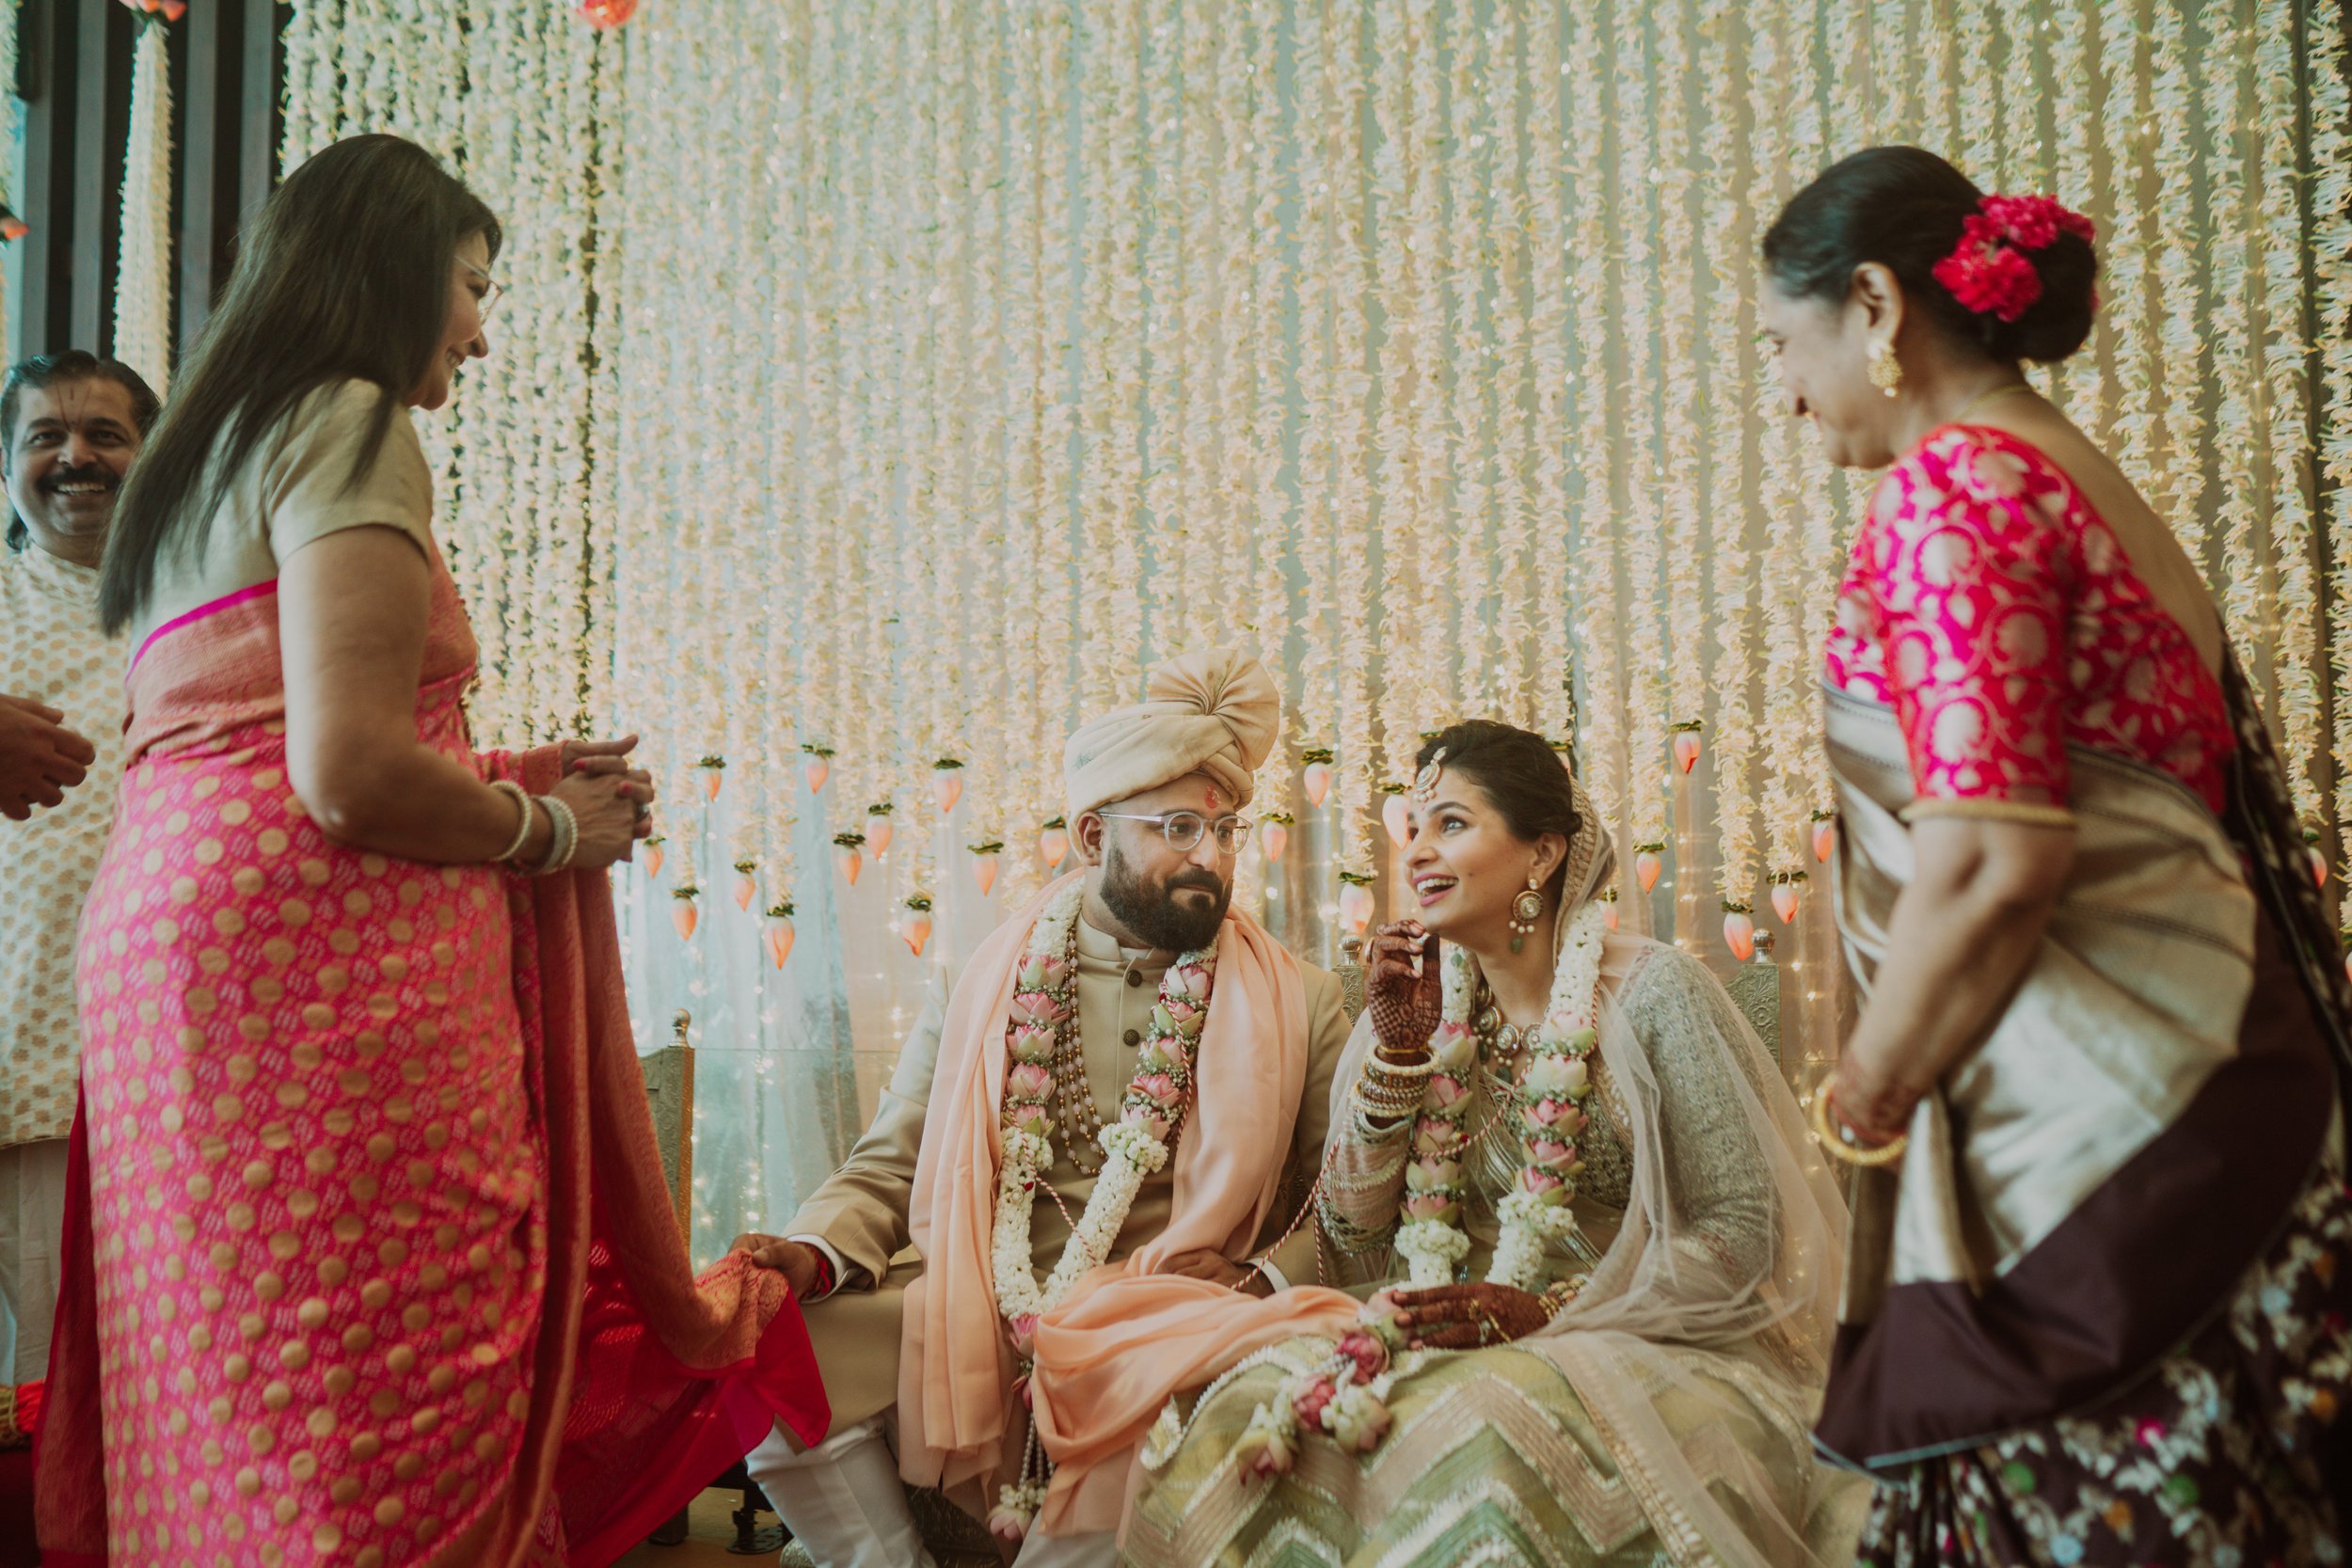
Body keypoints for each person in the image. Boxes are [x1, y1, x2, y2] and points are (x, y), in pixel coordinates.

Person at [38, 134, 827, 1568]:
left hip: (171, 955)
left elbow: (256, 728)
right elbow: (345, 773)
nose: (478, 322)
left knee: (228, 1393)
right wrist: (547, 827)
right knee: (381, 1391)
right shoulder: (346, 418)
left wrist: (509, 777)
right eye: (472, 284)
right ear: (393, 270)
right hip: (317, 964)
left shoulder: (202, 453)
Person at [1761, 146, 2352, 1563]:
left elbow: (1989, 858)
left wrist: (1865, 1094)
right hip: (2236, 1096)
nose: (1786, 390)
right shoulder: (2083, 475)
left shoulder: (1949, 493)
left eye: (1787, 343)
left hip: (2098, 1153)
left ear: (1877, 305)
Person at [1116, 720, 1867, 1566]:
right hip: (1446, 1331)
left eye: (1452, 824)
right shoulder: (1417, 1012)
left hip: (1651, 1348)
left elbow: (1741, 1233)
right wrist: (1398, 1057)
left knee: (1482, 1428)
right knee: (1234, 1405)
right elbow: (1354, 1240)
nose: (1418, 853)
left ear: (1542, 854)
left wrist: (1549, 1310)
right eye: (1414, 828)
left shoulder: (1658, 993)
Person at [732, 647, 1353, 1568]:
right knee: (767, 1357)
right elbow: (890, 1162)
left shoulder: (1301, 996)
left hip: (1173, 1305)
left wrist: (1261, 1279)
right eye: (1179, 826)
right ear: (1094, 837)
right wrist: (812, 1248)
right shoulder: (981, 982)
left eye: (1225, 830)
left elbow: (1342, 1197)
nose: (1210, 856)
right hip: (981, 1293)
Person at [0, 353, 158, 1449]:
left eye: (105, 433)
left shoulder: (196, 608)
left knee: (67, 1401)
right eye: (45, 435)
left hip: (112, 1064)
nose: (75, 457)